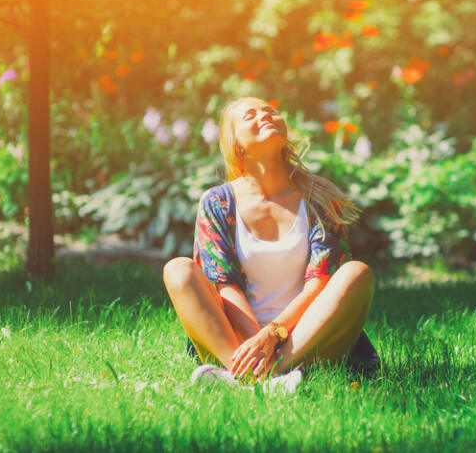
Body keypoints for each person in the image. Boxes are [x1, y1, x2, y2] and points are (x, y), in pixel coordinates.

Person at [162, 96, 378, 382]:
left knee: (356, 273)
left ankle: (265, 376)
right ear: (236, 142)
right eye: (250, 115)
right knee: (178, 269)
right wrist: (256, 341)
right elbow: (224, 285)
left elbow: (321, 283)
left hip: (307, 335)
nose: (264, 116)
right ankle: (250, 373)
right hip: (237, 340)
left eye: (270, 112)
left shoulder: (319, 198)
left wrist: (274, 335)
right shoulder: (218, 202)